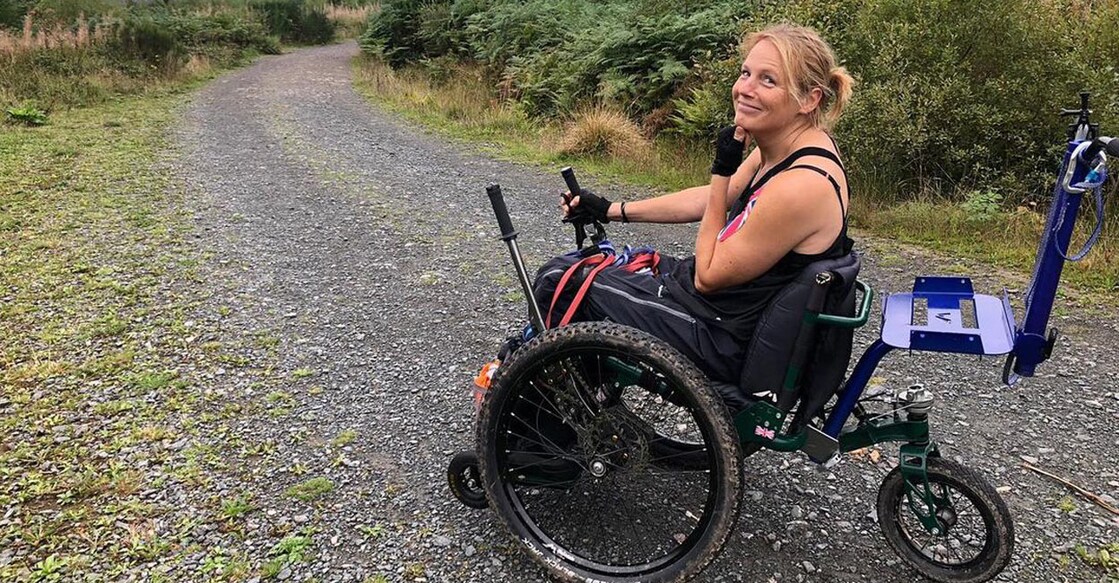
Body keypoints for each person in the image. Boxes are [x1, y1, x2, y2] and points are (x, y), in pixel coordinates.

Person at [532, 23, 856, 390]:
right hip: (722, 313)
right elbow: (714, 198)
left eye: (768, 81)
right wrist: (610, 208)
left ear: (809, 99)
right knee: (576, 266)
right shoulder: (788, 146)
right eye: (746, 73)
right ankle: (578, 412)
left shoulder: (802, 185)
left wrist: (722, 167)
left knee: (560, 281)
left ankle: (545, 427)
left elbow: (708, 274)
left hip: (724, 337)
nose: (744, 89)